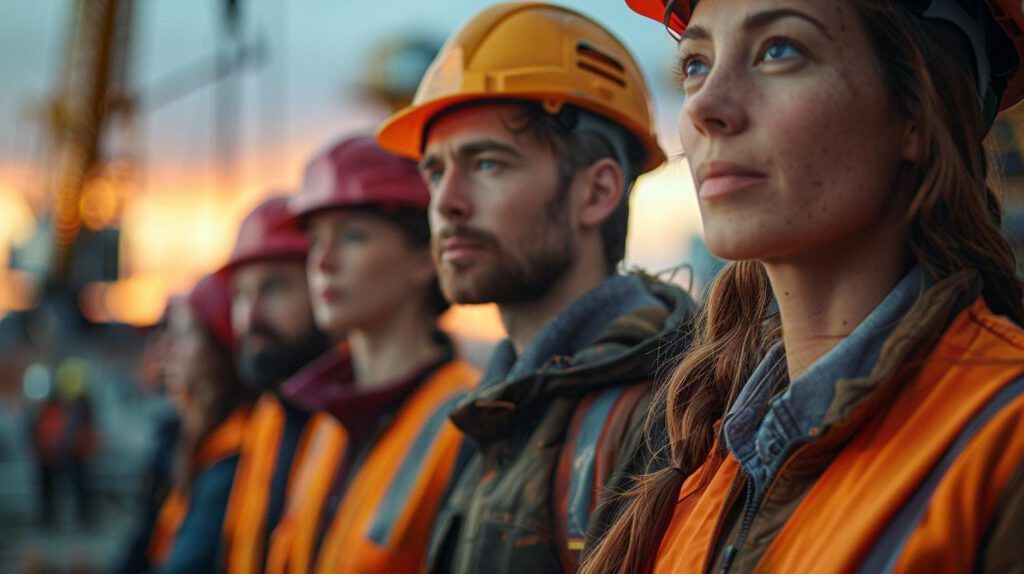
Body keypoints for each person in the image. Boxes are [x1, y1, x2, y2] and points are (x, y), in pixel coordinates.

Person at [581, 1, 1024, 572]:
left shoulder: (1002, 444)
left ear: (917, 110)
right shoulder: (706, 465)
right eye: (695, 63)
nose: (704, 106)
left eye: (779, 50)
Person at [376, 4, 697, 572]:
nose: (445, 202)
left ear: (596, 193)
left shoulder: (668, 417)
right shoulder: (494, 408)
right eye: (434, 171)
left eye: (488, 164)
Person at [263, 135, 478, 574]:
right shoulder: (326, 420)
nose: (322, 261)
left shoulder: (468, 420)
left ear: (426, 259)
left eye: (353, 236)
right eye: (315, 241)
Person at [217, 196, 333, 573]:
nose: (250, 316)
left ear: (324, 284)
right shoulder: (270, 416)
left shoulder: (356, 423)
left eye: (274, 288)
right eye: (241, 295)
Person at [145, 274, 254, 573]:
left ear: (221, 351)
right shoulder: (186, 438)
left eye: (184, 334)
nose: (166, 350)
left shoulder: (235, 452)